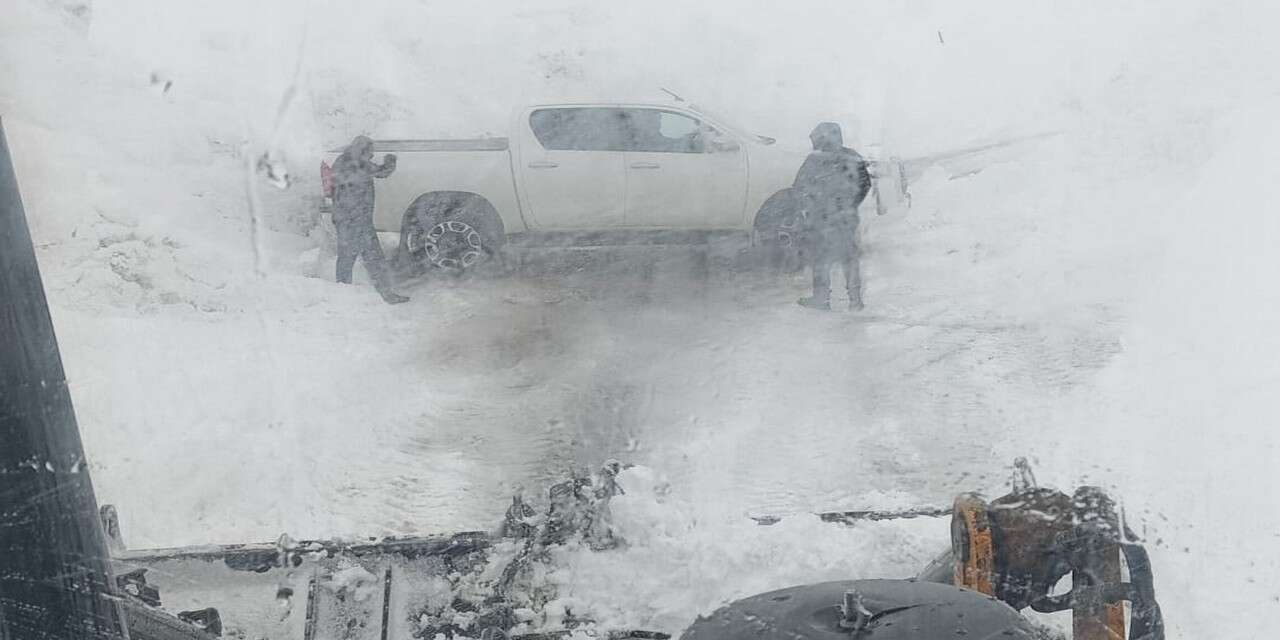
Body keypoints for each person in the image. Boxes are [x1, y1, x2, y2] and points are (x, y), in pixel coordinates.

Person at [793, 122, 872, 311]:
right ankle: (855, 300)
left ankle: (821, 299)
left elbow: (799, 188)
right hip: (846, 217)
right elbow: (864, 185)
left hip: (822, 219)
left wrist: (808, 209)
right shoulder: (852, 156)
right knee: (849, 257)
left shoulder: (813, 161)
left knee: (821, 258)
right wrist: (850, 205)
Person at [330, 135, 409, 304]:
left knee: (347, 258)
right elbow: (382, 172)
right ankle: (386, 294)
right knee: (373, 259)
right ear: (363, 150)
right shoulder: (356, 164)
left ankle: (342, 295)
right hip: (356, 221)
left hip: (347, 219)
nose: (372, 155)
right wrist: (391, 161)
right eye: (370, 152)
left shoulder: (344, 161)